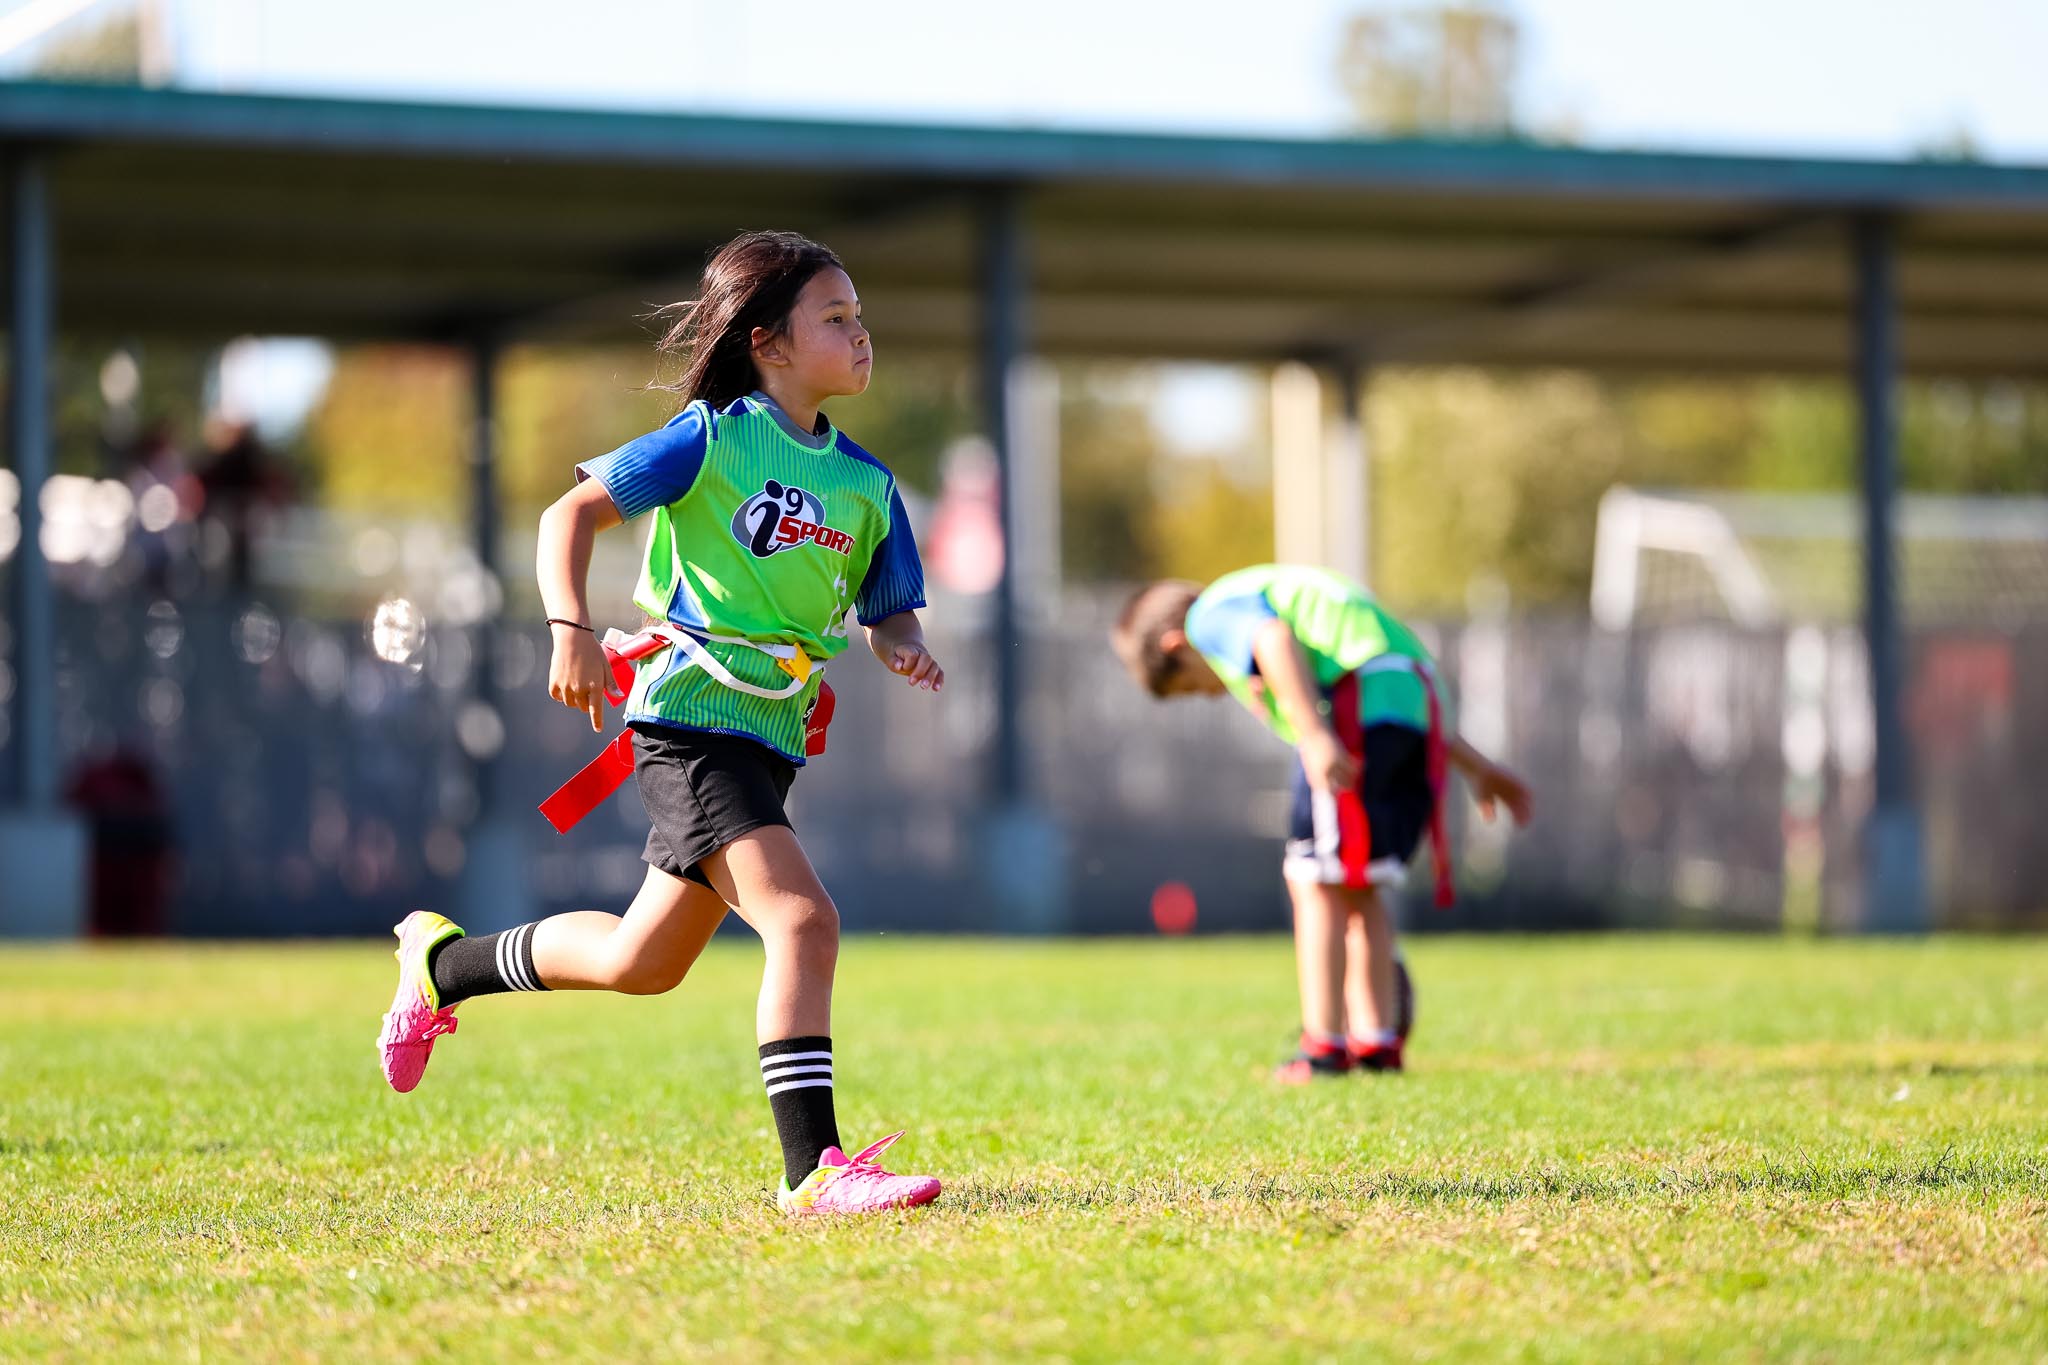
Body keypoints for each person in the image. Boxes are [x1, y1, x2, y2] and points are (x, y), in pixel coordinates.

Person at [376, 231, 946, 1215]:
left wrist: (896, 640)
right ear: (767, 343)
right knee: (803, 922)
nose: (861, 335)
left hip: (768, 739)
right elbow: (569, 517)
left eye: (861, 317)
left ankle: (444, 964)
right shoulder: (712, 439)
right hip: (688, 722)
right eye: (836, 318)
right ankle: (813, 1171)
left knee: (641, 964)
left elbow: (884, 604)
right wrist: (571, 628)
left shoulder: (866, 484)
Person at [1111, 565, 1533, 1082]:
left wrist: (1312, 732)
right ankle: (1376, 1043)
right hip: (1415, 703)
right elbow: (1397, 685)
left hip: (1351, 703)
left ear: (1178, 645)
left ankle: (1323, 1047)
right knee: (1361, 882)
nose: (1215, 692)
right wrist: (1479, 768)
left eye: (1197, 685)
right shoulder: (1271, 598)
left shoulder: (1210, 616)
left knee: (1311, 877)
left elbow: (1272, 637)